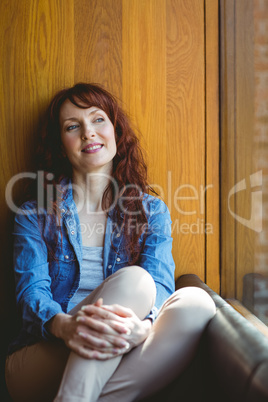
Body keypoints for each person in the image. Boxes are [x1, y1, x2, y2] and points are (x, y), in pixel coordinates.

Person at [5, 83, 216, 402]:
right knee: (135, 281)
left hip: (122, 347)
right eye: (73, 126)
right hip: (47, 353)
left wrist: (142, 329)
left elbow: (160, 283)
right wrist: (67, 326)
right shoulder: (34, 213)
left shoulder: (150, 210)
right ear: (62, 145)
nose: (88, 132)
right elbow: (31, 293)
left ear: (116, 131)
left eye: (98, 119)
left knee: (197, 304)